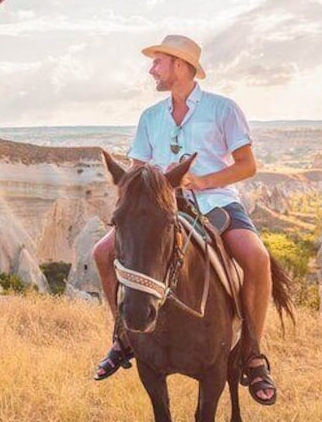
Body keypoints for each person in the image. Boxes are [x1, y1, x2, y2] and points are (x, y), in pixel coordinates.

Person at [92, 35, 278, 406]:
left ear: (179, 65)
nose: (151, 70)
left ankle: (252, 353)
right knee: (101, 253)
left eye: (157, 62)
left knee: (256, 257)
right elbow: (137, 171)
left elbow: (247, 165)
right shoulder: (150, 116)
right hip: (162, 208)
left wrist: (204, 180)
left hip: (216, 202)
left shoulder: (223, 109)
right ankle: (123, 336)